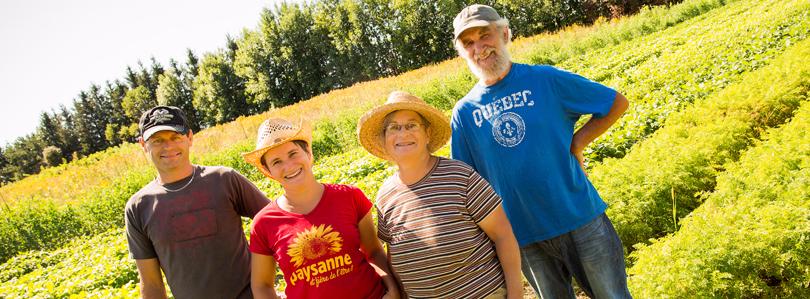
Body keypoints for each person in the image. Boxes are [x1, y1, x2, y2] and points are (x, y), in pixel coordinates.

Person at [449, 4, 633, 299]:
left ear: (505, 34)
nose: (479, 48)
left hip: (580, 217)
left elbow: (615, 103)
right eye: (468, 43)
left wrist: (577, 142)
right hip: (524, 236)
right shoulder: (465, 112)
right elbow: (467, 182)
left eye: (485, 35)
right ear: (462, 52)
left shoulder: (544, 80)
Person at [357, 91, 523, 299]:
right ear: (385, 139)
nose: (403, 133)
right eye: (394, 127)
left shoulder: (460, 175)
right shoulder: (385, 195)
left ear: (427, 134)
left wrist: (516, 293)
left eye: (411, 125)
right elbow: (395, 255)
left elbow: (503, 235)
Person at [242, 118, 399, 299]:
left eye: (293, 154)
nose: (288, 166)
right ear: (268, 171)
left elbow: (374, 251)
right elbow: (262, 285)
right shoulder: (263, 223)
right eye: (276, 162)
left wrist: (392, 288)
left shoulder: (349, 196)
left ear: (308, 153)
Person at [125, 105, 271, 299]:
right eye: (157, 140)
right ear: (143, 145)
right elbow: (151, 283)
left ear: (190, 138)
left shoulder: (224, 179)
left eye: (175, 137)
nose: (168, 147)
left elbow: (277, 223)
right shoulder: (138, 207)